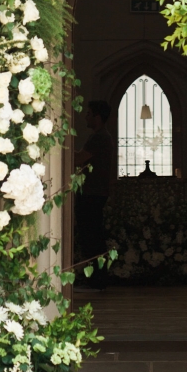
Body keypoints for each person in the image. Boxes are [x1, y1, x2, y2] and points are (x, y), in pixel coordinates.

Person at [74, 100, 114, 288]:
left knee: (91, 236)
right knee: (92, 235)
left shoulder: (99, 138)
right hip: (95, 192)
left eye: (89, 114)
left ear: (97, 117)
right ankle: (97, 278)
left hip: (92, 192)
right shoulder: (101, 137)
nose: (86, 117)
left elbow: (79, 158)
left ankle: (97, 279)